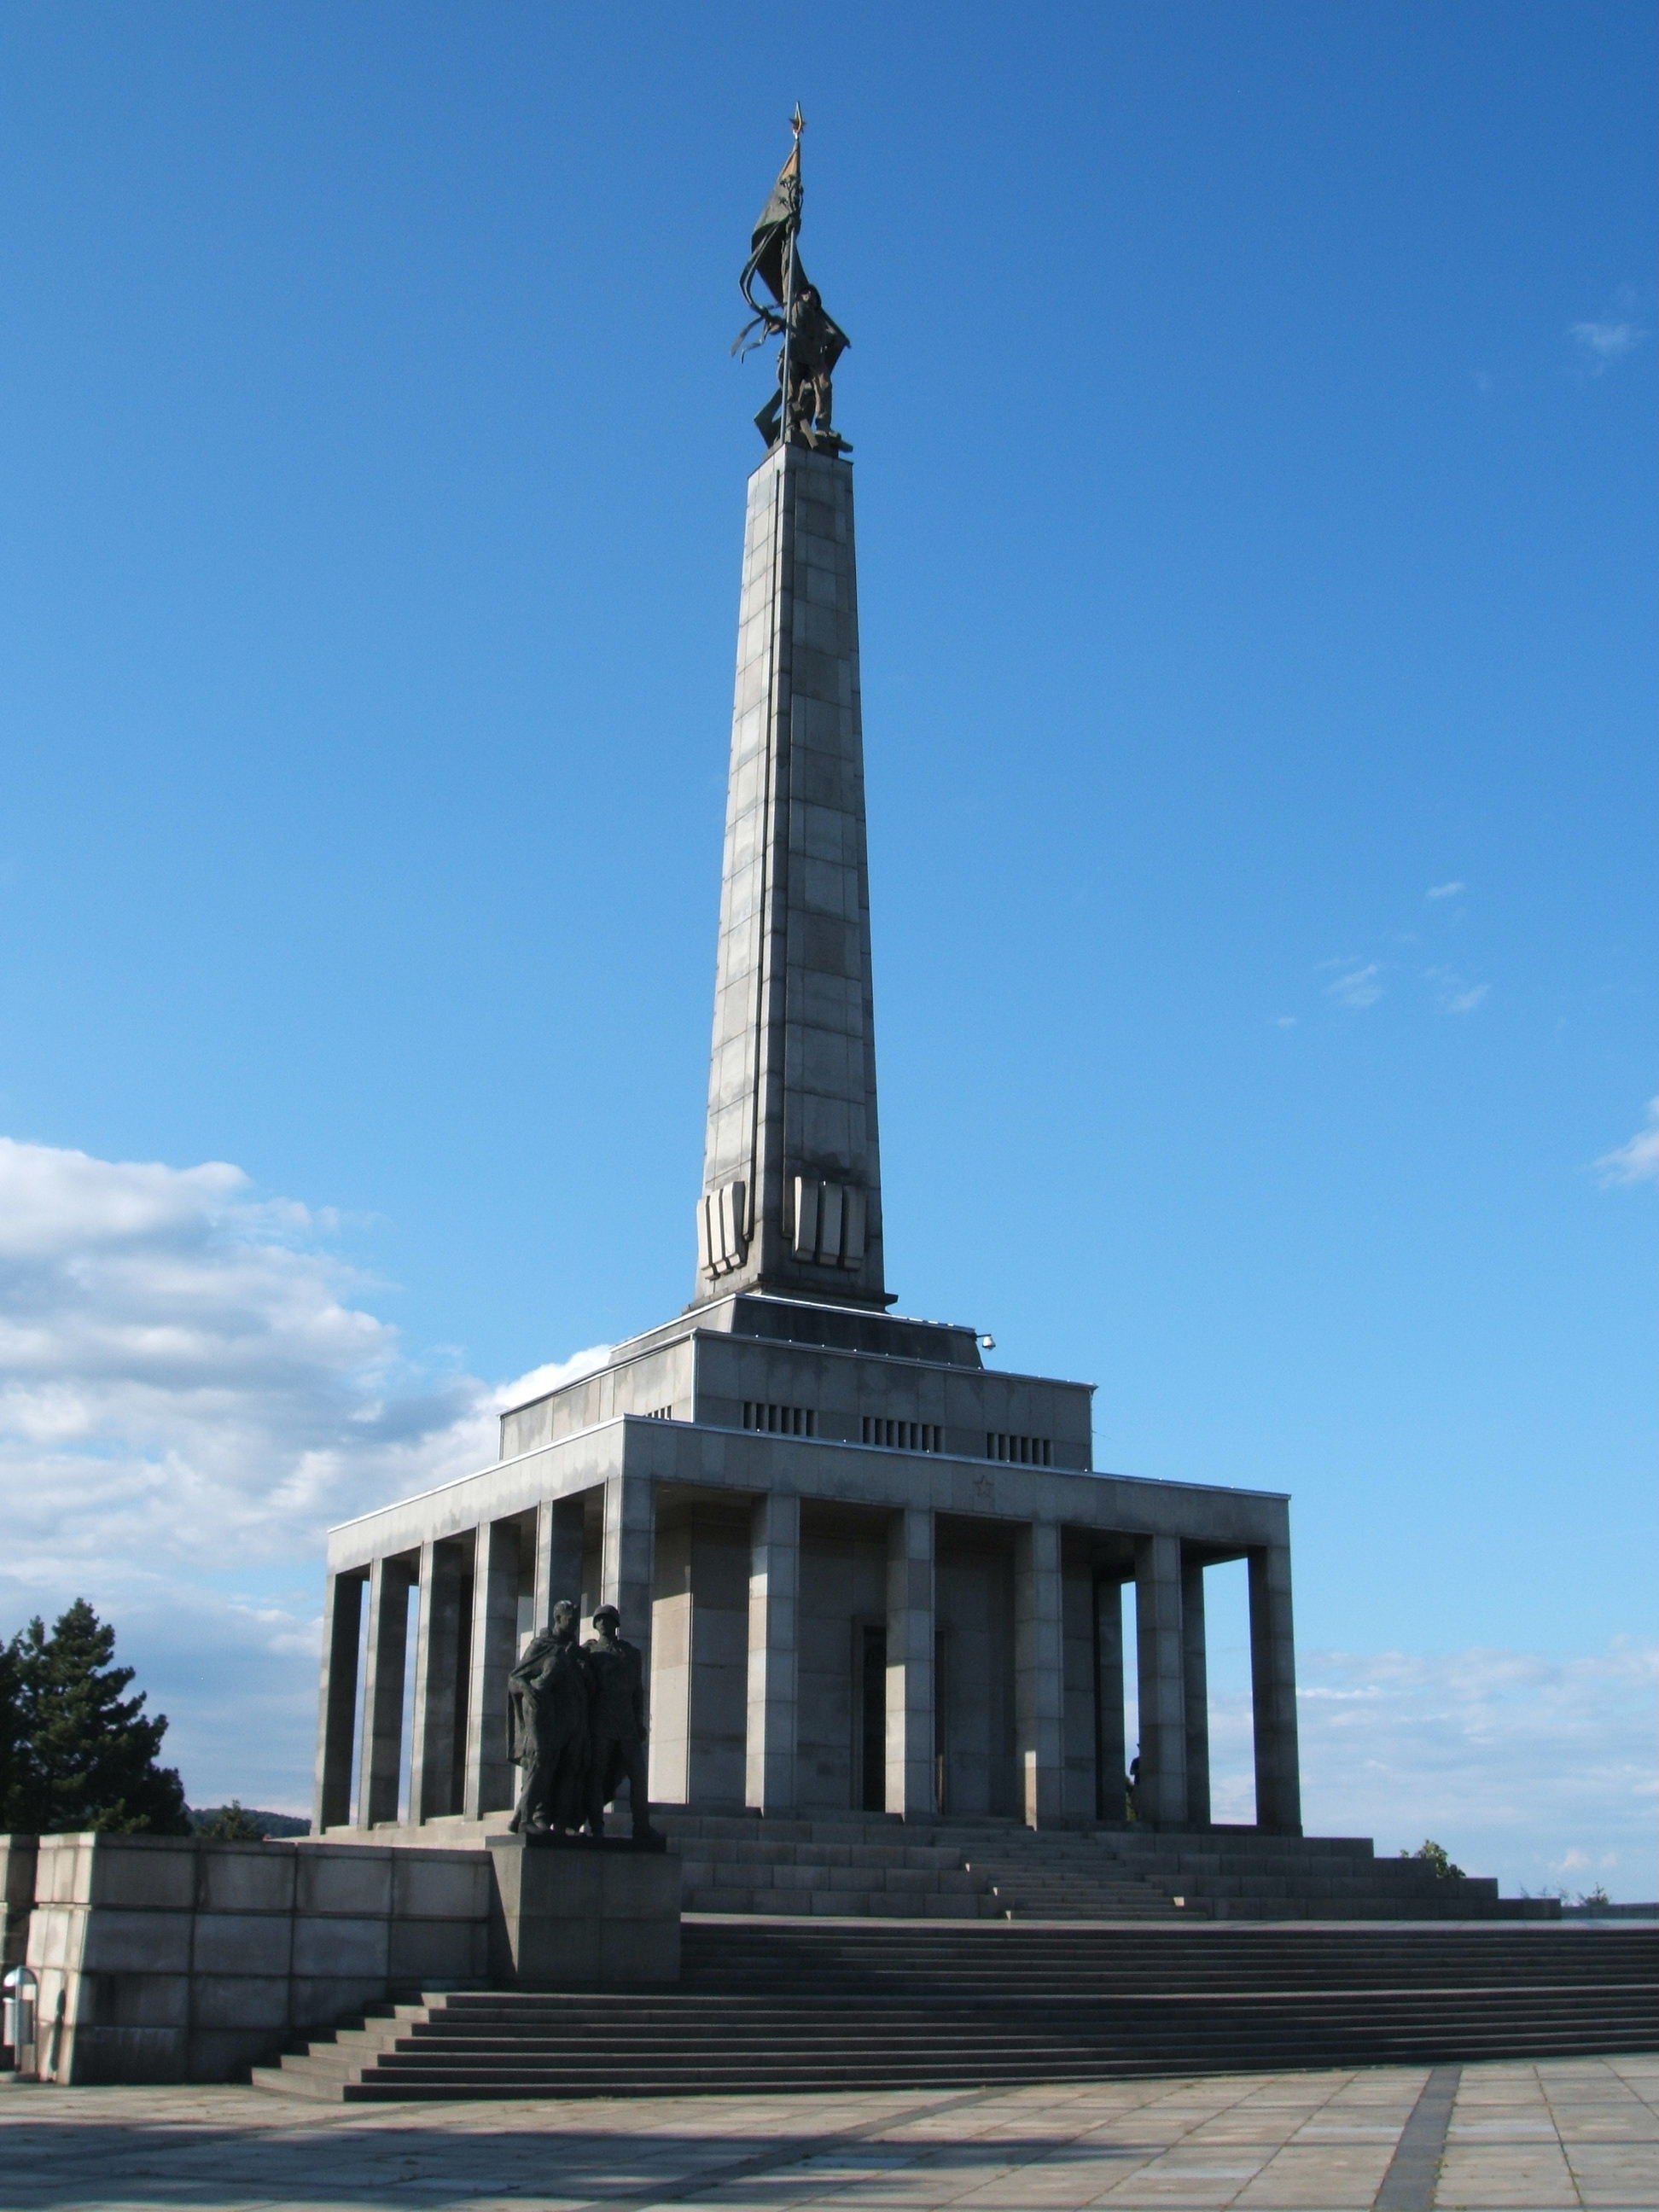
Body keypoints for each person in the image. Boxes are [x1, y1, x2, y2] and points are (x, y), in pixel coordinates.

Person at [506, 1599, 590, 1834]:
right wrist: (528, 1691)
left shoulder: (574, 1650)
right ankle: (527, 1817)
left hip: (570, 1719)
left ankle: (561, 1822)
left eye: (575, 1621)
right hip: (544, 1715)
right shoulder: (542, 1645)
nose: (573, 1625)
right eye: (569, 1620)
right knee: (541, 1763)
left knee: (567, 1768)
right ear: (558, 1619)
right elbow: (515, 1679)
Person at [582, 1605, 660, 1841]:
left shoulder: (631, 1653)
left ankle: (642, 1826)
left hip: (626, 1723)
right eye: (600, 1620)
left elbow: (638, 1691)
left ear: (616, 1624)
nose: (604, 1623)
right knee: (596, 1775)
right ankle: (596, 1826)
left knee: (638, 1775)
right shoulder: (589, 1652)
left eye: (608, 1619)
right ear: (595, 1624)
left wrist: (639, 1720)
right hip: (600, 1722)